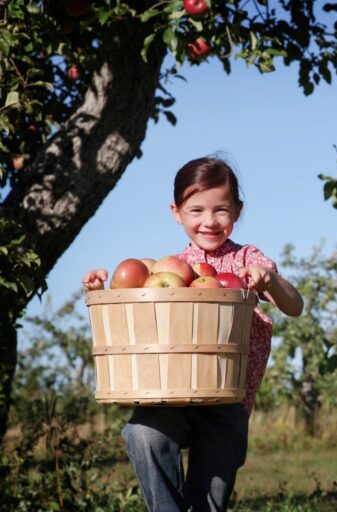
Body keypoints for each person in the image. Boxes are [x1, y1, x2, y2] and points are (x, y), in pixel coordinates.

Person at [82, 156, 304, 511]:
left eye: (221, 210)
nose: (209, 221)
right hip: (172, 394)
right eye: (196, 210)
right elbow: (145, 321)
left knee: (208, 500)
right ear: (176, 211)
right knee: (143, 434)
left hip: (227, 398)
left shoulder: (247, 262)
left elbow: (295, 306)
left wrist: (270, 280)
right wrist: (102, 291)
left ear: (238, 210)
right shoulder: (171, 267)